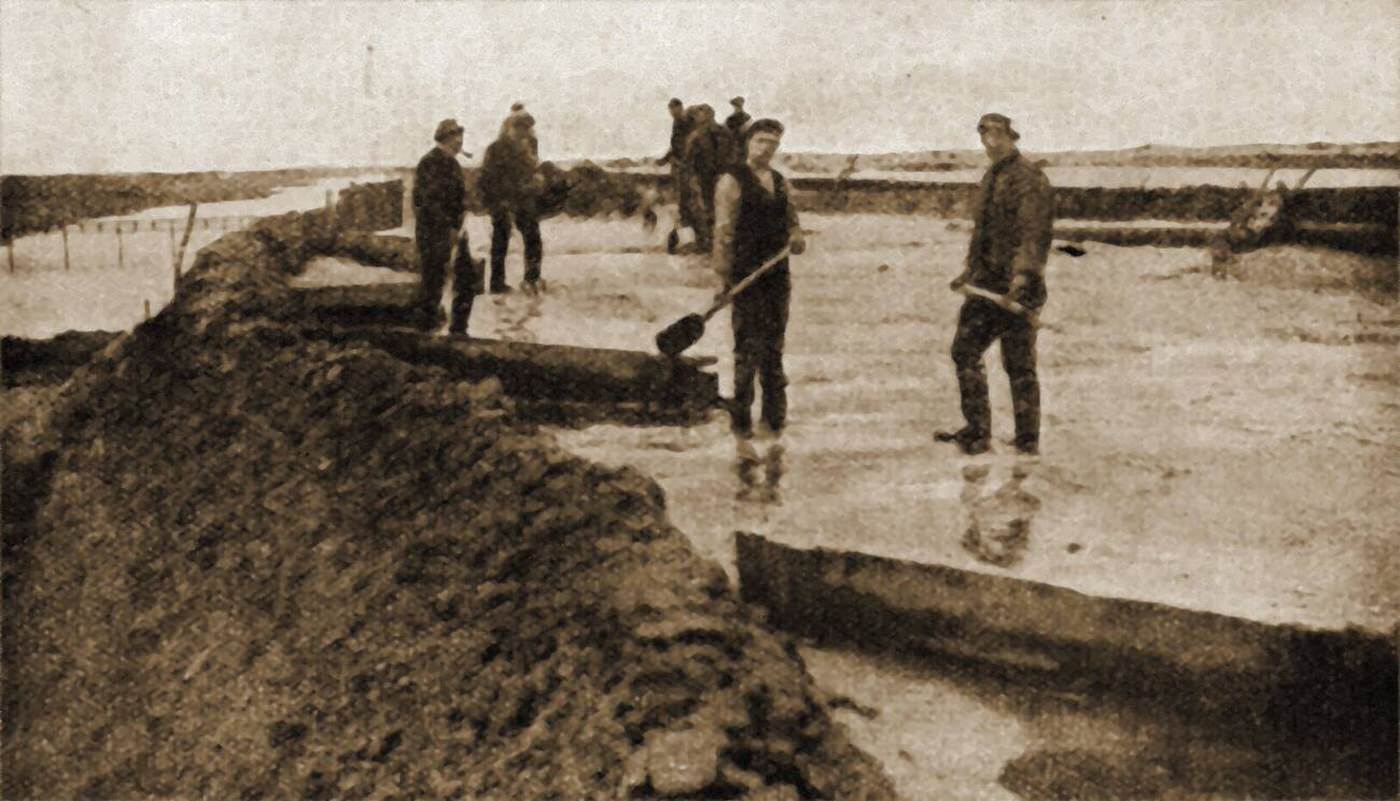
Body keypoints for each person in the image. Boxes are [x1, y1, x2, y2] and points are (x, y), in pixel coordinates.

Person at [936, 113, 1054, 456]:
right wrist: (969, 272)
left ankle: (1027, 438)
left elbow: (1034, 234)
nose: (990, 143)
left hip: (1018, 288)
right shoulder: (991, 177)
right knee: (965, 352)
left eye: (997, 136)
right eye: (984, 136)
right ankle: (978, 431)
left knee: (1017, 362)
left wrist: (1022, 277)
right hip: (985, 285)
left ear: (1011, 138)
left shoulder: (1030, 178)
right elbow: (983, 235)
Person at [712, 118, 806, 489]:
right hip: (745, 278)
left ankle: (775, 423)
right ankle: (740, 425)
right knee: (746, 349)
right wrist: (722, 279)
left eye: (773, 143)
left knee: (775, 347)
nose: (766, 149)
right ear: (748, 143)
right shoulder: (731, 180)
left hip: (777, 276)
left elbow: (793, 222)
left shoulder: (780, 182)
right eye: (761, 141)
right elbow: (723, 231)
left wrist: (797, 236)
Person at [411, 118, 478, 333]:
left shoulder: (449, 162)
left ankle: (457, 330)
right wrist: (448, 229)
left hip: (453, 233)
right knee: (434, 284)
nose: (460, 141)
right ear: (445, 139)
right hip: (436, 234)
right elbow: (428, 203)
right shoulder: (432, 162)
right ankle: (429, 333)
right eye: (455, 136)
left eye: (461, 136)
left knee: (464, 281)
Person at [480, 111, 544, 294]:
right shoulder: (495, 149)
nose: (525, 132)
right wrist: (497, 202)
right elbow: (487, 179)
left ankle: (532, 278)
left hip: (523, 199)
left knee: (532, 238)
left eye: (527, 128)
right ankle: (497, 283)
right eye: (521, 128)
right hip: (502, 201)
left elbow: (532, 171)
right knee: (501, 241)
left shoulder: (528, 147)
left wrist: (535, 179)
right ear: (510, 127)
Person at [684, 104, 737, 252]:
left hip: (712, 178)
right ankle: (711, 242)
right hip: (710, 178)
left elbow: (688, 162)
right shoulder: (722, 133)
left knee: (709, 209)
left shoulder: (698, 135)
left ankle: (709, 242)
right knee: (713, 209)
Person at [656, 98, 694, 251]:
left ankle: (684, 239)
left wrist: (681, 162)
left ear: (680, 107)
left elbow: (688, 146)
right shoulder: (677, 123)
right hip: (679, 167)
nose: (671, 113)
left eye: (673, 109)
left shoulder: (687, 122)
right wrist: (664, 160)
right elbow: (675, 147)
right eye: (670, 110)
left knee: (685, 203)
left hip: (686, 168)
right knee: (681, 203)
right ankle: (681, 237)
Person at [724, 96, 751, 160]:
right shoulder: (731, 118)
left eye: (739, 105)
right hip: (734, 142)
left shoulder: (747, 117)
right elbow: (727, 131)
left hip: (743, 142)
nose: (738, 107)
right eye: (737, 105)